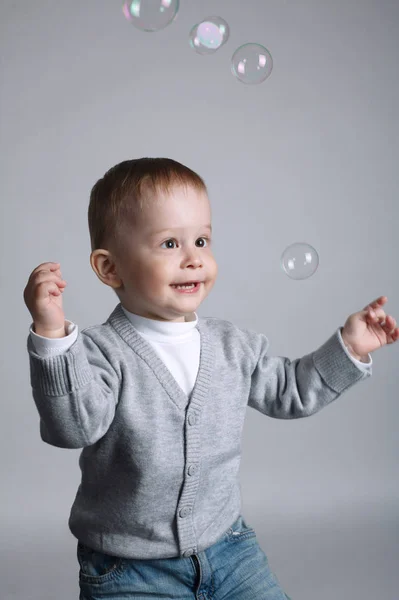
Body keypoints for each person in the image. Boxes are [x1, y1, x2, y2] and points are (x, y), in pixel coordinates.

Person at [23, 157, 399, 599]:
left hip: (230, 550)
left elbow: (290, 390)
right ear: (110, 269)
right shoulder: (99, 353)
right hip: (130, 568)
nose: (194, 258)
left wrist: (350, 348)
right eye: (169, 244)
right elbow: (73, 428)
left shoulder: (231, 344)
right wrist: (51, 336)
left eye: (202, 239)